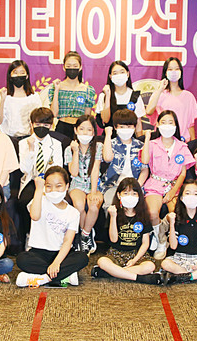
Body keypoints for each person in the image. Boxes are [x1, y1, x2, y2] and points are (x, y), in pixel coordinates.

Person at [15, 167, 89, 288]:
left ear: (67, 186)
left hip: (61, 254)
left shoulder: (73, 213)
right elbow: (34, 216)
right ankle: (64, 277)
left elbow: (67, 241)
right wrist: (39, 189)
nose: (53, 190)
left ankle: (41, 278)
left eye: (58, 186)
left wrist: (56, 263)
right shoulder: (40, 200)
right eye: (49, 186)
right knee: (22, 259)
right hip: (39, 253)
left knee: (82, 258)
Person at [140, 111, 195, 260]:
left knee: (175, 214)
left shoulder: (182, 146)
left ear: (176, 126)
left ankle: (170, 239)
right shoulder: (153, 144)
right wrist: (147, 138)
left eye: (170, 122)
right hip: (155, 184)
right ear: (157, 125)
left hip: (175, 186)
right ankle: (161, 240)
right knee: (152, 212)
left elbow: (183, 173)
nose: (167, 126)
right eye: (163, 122)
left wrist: (173, 192)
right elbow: (144, 160)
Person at [91, 178, 161, 284]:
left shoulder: (143, 215)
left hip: (136, 253)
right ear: (119, 195)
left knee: (150, 266)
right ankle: (139, 278)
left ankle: (112, 273)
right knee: (102, 261)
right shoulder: (114, 212)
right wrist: (113, 217)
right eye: (126, 193)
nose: (130, 197)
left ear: (139, 196)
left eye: (134, 194)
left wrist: (134, 260)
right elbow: (113, 240)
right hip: (116, 252)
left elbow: (145, 243)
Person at [16, 107, 64, 246]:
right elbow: (24, 169)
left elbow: (58, 168)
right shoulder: (24, 143)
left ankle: (49, 238)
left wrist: (46, 183)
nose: (41, 127)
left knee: (49, 202)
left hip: (50, 183)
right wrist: (31, 150)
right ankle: (29, 236)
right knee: (25, 202)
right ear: (31, 124)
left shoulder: (56, 144)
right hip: (31, 180)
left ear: (51, 125)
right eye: (37, 124)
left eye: (45, 125)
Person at [64, 115, 104, 254]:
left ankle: (85, 235)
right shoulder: (69, 149)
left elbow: (95, 169)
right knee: (79, 206)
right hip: (77, 184)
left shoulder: (98, 147)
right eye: (81, 129)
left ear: (93, 132)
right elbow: (74, 172)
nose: (85, 133)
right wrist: (75, 151)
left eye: (89, 130)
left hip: (95, 184)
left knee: (93, 205)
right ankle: (84, 234)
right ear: (75, 130)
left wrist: (93, 192)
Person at [100, 109, 149, 210]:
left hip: (135, 187)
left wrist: (137, 186)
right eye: (122, 127)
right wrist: (108, 135)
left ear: (134, 127)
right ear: (115, 127)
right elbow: (107, 158)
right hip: (113, 186)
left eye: (129, 126)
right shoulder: (111, 143)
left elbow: (145, 169)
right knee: (110, 207)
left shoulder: (140, 146)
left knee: (140, 208)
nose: (125, 130)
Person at [145, 57, 197, 142]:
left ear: (181, 72)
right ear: (165, 73)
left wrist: (192, 144)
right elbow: (149, 111)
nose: (174, 72)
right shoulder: (159, 94)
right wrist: (160, 89)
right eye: (170, 69)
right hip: (162, 140)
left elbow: (191, 125)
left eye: (177, 69)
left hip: (182, 141)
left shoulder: (188, 96)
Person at [48, 51, 96, 140]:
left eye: (75, 66)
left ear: (80, 67)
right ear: (64, 67)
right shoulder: (56, 87)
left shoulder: (87, 90)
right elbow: (54, 113)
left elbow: (87, 116)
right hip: (62, 128)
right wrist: (57, 90)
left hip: (80, 129)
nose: (72, 69)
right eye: (69, 66)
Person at [0, 60, 43, 139]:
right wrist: (3, 100)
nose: (18, 75)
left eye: (22, 72)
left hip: (28, 138)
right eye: (15, 72)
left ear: (27, 76)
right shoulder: (1, 95)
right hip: (7, 138)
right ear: (10, 76)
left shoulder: (34, 96)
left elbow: (38, 120)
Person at [95, 60, 145, 134]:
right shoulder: (104, 95)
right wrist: (108, 96)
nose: (119, 75)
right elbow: (105, 120)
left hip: (129, 138)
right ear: (110, 76)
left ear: (127, 74)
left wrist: (139, 139)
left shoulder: (135, 96)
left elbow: (138, 124)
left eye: (122, 72)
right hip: (110, 137)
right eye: (115, 73)